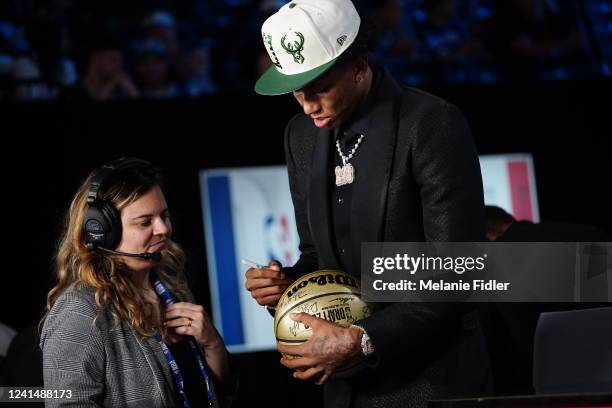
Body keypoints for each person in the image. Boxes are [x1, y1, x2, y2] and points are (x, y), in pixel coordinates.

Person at [246, 1, 490, 407]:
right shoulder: (301, 136)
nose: (307, 105)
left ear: (359, 64)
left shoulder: (430, 124)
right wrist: (287, 285)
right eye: (296, 90)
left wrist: (363, 339)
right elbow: (318, 256)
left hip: (433, 382)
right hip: (346, 388)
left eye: (319, 88)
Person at [40, 158, 233, 407]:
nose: (163, 228)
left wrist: (212, 343)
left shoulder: (173, 287)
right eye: (145, 222)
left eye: (164, 215)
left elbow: (219, 390)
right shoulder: (79, 311)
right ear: (102, 231)